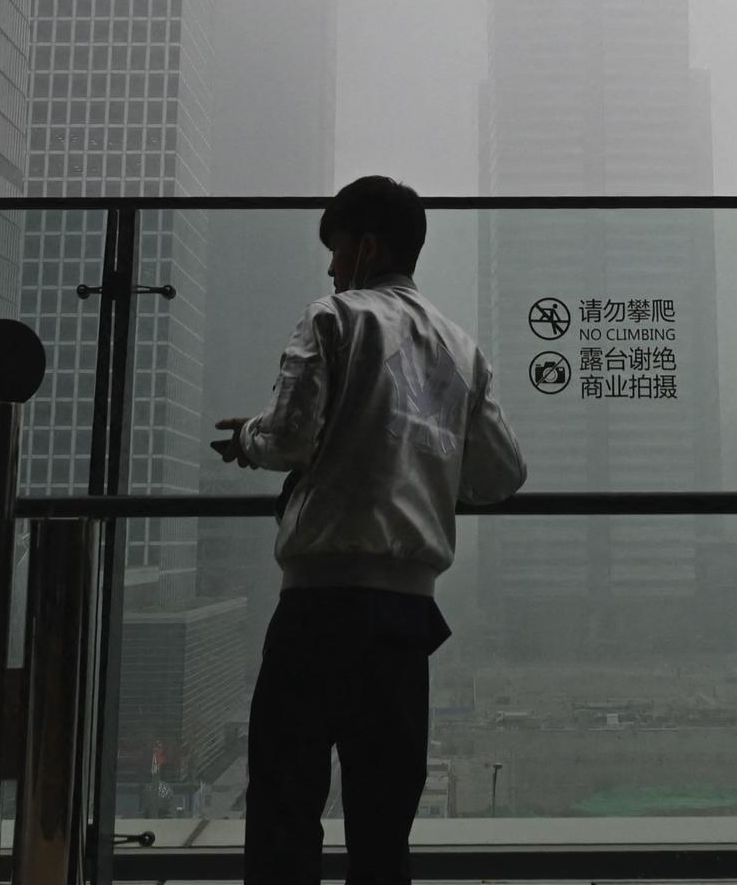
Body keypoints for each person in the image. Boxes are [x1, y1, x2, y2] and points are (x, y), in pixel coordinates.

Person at [213, 175, 528, 885]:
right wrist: (429, 472)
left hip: (318, 606)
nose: (330, 267)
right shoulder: (461, 348)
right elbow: (503, 475)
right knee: (383, 829)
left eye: (336, 249)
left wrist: (248, 439)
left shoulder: (334, 316)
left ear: (368, 245)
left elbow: (291, 438)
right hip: (405, 618)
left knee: (285, 813)